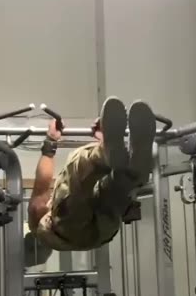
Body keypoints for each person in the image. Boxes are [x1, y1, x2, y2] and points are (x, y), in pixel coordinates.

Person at [24, 97, 156, 262]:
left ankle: (130, 173)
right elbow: (38, 201)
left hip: (104, 232)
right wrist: (50, 142)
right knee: (78, 164)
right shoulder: (39, 227)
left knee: (112, 186)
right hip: (75, 229)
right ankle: (106, 156)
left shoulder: (46, 233)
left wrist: (104, 138)